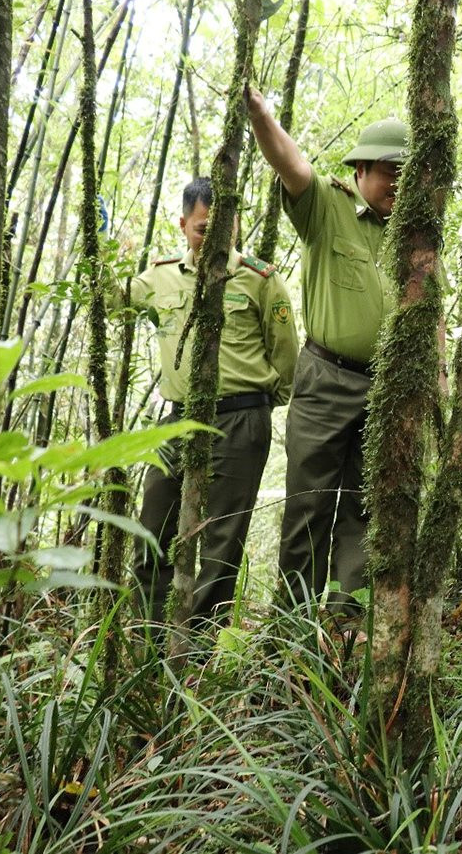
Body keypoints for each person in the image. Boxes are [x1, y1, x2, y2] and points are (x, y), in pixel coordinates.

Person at [245, 86, 409, 612]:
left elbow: (431, 315)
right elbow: (290, 164)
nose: (397, 183)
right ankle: (291, 627)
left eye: (407, 173)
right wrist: (260, 115)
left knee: (366, 509)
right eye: (387, 171)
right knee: (309, 506)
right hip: (325, 380)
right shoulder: (327, 207)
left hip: (387, 389)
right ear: (360, 170)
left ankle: (346, 625)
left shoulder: (414, 237)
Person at [131, 177, 298, 624]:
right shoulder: (159, 277)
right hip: (178, 419)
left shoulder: (261, 279)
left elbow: (285, 351)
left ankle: (197, 654)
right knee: (153, 528)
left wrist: (263, 402)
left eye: (226, 227)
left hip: (242, 419)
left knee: (222, 542)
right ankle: (150, 639)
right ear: (184, 225)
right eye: (204, 228)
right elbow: (114, 301)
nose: (215, 238)